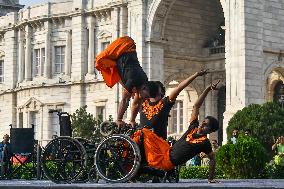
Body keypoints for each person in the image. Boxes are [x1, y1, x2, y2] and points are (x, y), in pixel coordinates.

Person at [132, 80, 221, 183]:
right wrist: (207, 89)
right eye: (203, 122)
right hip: (165, 152)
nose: (202, 124)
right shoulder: (193, 127)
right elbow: (196, 106)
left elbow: (212, 159)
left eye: (206, 125)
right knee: (144, 134)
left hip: (168, 162)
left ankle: (158, 172)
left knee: (143, 136)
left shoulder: (204, 142)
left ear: (210, 130)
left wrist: (210, 178)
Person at [95, 36, 150, 126]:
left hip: (129, 55)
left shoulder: (143, 80)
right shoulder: (133, 80)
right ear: (143, 89)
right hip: (123, 47)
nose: (143, 98)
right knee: (100, 60)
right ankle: (120, 119)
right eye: (145, 97)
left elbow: (136, 103)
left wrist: (132, 120)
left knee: (119, 76)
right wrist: (119, 119)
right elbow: (125, 100)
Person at [138, 70, 208, 140]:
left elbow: (179, 88)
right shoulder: (143, 102)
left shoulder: (165, 103)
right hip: (142, 141)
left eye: (156, 86)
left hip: (158, 144)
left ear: (161, 92)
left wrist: (195, 75)